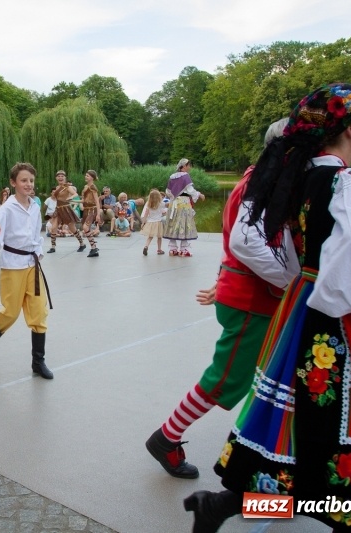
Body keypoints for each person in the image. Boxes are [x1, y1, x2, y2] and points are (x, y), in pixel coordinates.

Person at [185, 84, 351, 533]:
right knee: (345, 431)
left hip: (301, 311)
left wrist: (306, 294)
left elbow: (290, 257)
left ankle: (222, 505)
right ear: (347, 127)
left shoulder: (298, 180)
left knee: (301, 426)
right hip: (344, 320)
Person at [146, 118, 296, 480]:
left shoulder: (259, 179)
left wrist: (224, 278)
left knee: (270, 378)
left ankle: (270, 457)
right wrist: (290, 282)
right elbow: (245, 242)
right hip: (254, 298)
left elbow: (238, 240)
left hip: (255, 294)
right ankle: (166, 438)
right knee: (226, 378)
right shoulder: (259, 183)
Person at [0, 162, 53, 379]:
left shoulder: (35, 206)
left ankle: (38, 361)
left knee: (39, 312)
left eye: (31, 180)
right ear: (13, 183)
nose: (28, 184)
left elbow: (37, 236)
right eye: (23, 180)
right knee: (10, 312)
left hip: (32, 265)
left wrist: (38, 253)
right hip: (12, 266)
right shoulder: (6, 209)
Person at [163, 159, 204, 256]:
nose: (190, 167)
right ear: (184, 166)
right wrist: (199, 194)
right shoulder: (186, 176)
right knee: (184, 223)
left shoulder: (172, 176)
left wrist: (174, 198)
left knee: (173, 223)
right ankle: (184, 249)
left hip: (174, 203)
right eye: (189, 165)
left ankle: (172, 248)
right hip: (183, 203)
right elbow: (190, 190)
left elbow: (168, 191)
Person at [46, 171, 86, 254]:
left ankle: (82, 243)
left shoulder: (67, 187)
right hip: (58, 209)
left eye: (62, 176)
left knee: (72, 228)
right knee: (54, 227)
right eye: (58, 176)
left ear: (65, 178)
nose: (60, 177)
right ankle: (53, 247)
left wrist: (69, 198)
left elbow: (75, 194)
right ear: (56, 178)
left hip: (66, 209)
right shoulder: (57, 188)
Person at [77, 170, 102, 256]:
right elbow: (84, 200)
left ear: (92, 177)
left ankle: (94, 247)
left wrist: (98, 214)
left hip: (92, 209)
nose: (86, 177)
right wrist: (73, 201)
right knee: (85, 229)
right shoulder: (85, 187)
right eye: (86, 175)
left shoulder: (93, 187)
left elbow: (97, 201)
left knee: (85, 227)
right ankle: (93, 248)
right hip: (86, 210)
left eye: (87, 176)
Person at [140, 189, 168, 255]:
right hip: (158, 222)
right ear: (159, 196)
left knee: (150, 236)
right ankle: (159, 249)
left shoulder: (149, 205)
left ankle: (146, 246)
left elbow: (146, 214)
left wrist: (143, 223)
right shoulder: (161, 204)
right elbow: (167, 205)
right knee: (159, 237)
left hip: (150, 222)